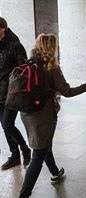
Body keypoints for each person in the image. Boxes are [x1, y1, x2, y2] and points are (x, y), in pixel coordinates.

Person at [19, 33, 86, 198]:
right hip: (43, 115)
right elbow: (67, 91)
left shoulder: (29, 62)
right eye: (57, 45)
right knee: (38, 155)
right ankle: (24, 194)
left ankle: (54, 172)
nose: (58, 48)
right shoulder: (51, 67)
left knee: (44, 145)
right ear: (51, 47)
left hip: (26, 113)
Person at [0, 17, 31, 170]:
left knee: (7, 124)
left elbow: (23, 70)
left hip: (11, 92)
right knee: (5, 126)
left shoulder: (15, 44)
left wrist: (10, 83)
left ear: (2, 29)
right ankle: (15, 156)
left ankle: (25, 149)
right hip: (0, 92)